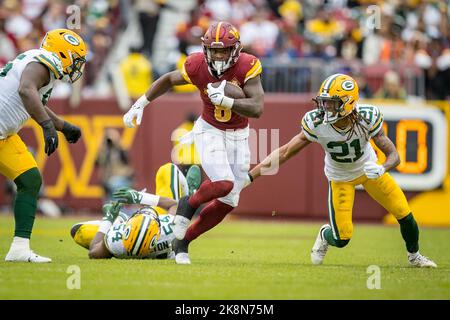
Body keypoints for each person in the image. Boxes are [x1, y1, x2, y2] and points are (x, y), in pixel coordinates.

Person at [247, 73, 437, 268]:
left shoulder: (366, 118)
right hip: (340, 178)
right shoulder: (316, 123)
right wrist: (250, 176)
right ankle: (324, 234)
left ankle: (415, 257)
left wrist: (382, 168)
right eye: (324, 102)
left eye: (332, 103)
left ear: (348, 103)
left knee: (405, 214)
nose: (326, 108)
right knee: (342, 238)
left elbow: (394, 155)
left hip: (369, 172)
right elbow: (285, 152)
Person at [122, 21, 264, 264]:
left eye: (223, 50)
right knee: (224, 183)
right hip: (209, 130)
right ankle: (188, 203)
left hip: (239, 135)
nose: (218, 55)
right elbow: (168, 79)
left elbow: (258, 108)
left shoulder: (247, 65)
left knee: (230, 200)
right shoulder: (197, 64)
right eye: (214, 50)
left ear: (236, 50)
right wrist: (140, 103)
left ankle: (183, 242)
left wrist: (228, 101)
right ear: (205, 49)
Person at [1, 28, 87, 263]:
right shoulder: (44, 63)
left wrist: (61, 125)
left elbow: (31, 97)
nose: (77, 66)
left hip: (3, 136)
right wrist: (47, 126)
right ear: (62, 54)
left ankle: (19, 248)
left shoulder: (38, 62)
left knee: (30, 179)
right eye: (75, 60)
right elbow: (25, 90)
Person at [71, 163, 201, 259]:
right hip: (158, 225)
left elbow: (93, 251)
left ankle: (120, 218)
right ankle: (191, 194)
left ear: (125, 230)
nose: (144, 211)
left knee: (77, 231)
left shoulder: (117, 242)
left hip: (128, 231)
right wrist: (139, 197)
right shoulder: (167, 232)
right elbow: (175, 206)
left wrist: (109, 218)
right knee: (167, 170)